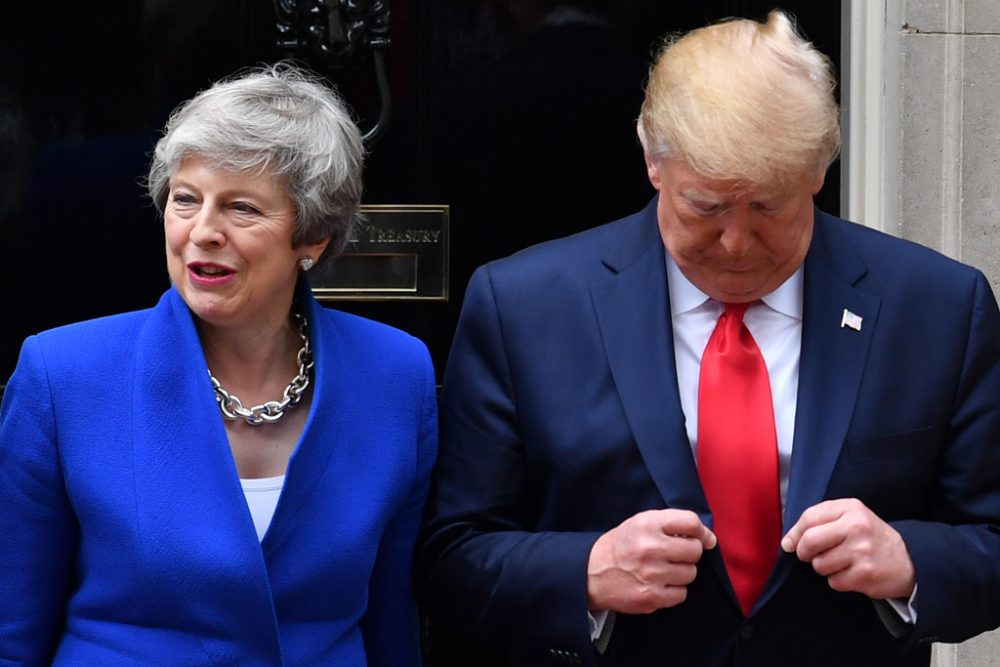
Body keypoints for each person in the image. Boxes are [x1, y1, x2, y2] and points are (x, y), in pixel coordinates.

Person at [418, 10, 1000, 667]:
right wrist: (585, 570)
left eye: (769, 207)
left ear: (818, 173)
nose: (737, 241)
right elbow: (451, 560)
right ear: (653, 164)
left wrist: (910, 560)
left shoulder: (938, 306)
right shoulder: (523, 307)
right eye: (707, 206)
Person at [0, 65, 437, 666]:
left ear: (311, 238)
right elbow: (13, 631)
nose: (202, 232)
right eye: (185, 200)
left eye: (242, 208)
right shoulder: (62, 375)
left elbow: (392, 621)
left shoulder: (397, 375)